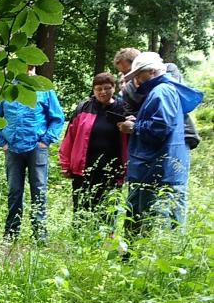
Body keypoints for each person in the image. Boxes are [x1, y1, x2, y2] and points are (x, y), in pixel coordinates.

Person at [117, 52, 203, 233]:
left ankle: (166, 255)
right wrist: (138, 119)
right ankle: (135, 254)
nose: (137, 81)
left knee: (161, 214)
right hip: (156, 165)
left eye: (139, 75)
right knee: (150, 211)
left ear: (152, 72)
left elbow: (161, 126)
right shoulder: (160, 90)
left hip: (158, 166)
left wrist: (134, 127)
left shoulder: (162, 91)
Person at [0, 66, 65, 242]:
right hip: (13, 149)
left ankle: (40, 235)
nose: (26, 70)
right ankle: (11, 234)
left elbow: (57, 118)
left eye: (29, 67)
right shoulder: (7, 88)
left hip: (36, 148)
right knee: (14, 191)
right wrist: (2, 142)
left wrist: (46, 141)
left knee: (39, 190)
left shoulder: (44, 88)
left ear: (33, 68)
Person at [58, 73, 129, 225]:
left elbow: (130, 140)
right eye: (98, 89)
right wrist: (65, 164)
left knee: (108, 212)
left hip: (112, 170)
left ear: (114, 88)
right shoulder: (83, 108)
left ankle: (107, 246)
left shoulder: (123, 108)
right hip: (83, 169)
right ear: (93, 90)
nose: (103, 92)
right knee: (81, 210)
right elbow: (69, 137)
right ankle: (79, 242)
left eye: (107, 88)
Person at [114, 48, 200, 150]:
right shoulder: (128, 89)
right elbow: (130, 113)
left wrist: (138, 122)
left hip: (180, 134)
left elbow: (167, 105)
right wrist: (132, 120)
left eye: (129, 72)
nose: (126, 77)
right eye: (123, 73)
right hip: (150, 137)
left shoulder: (168, 71)